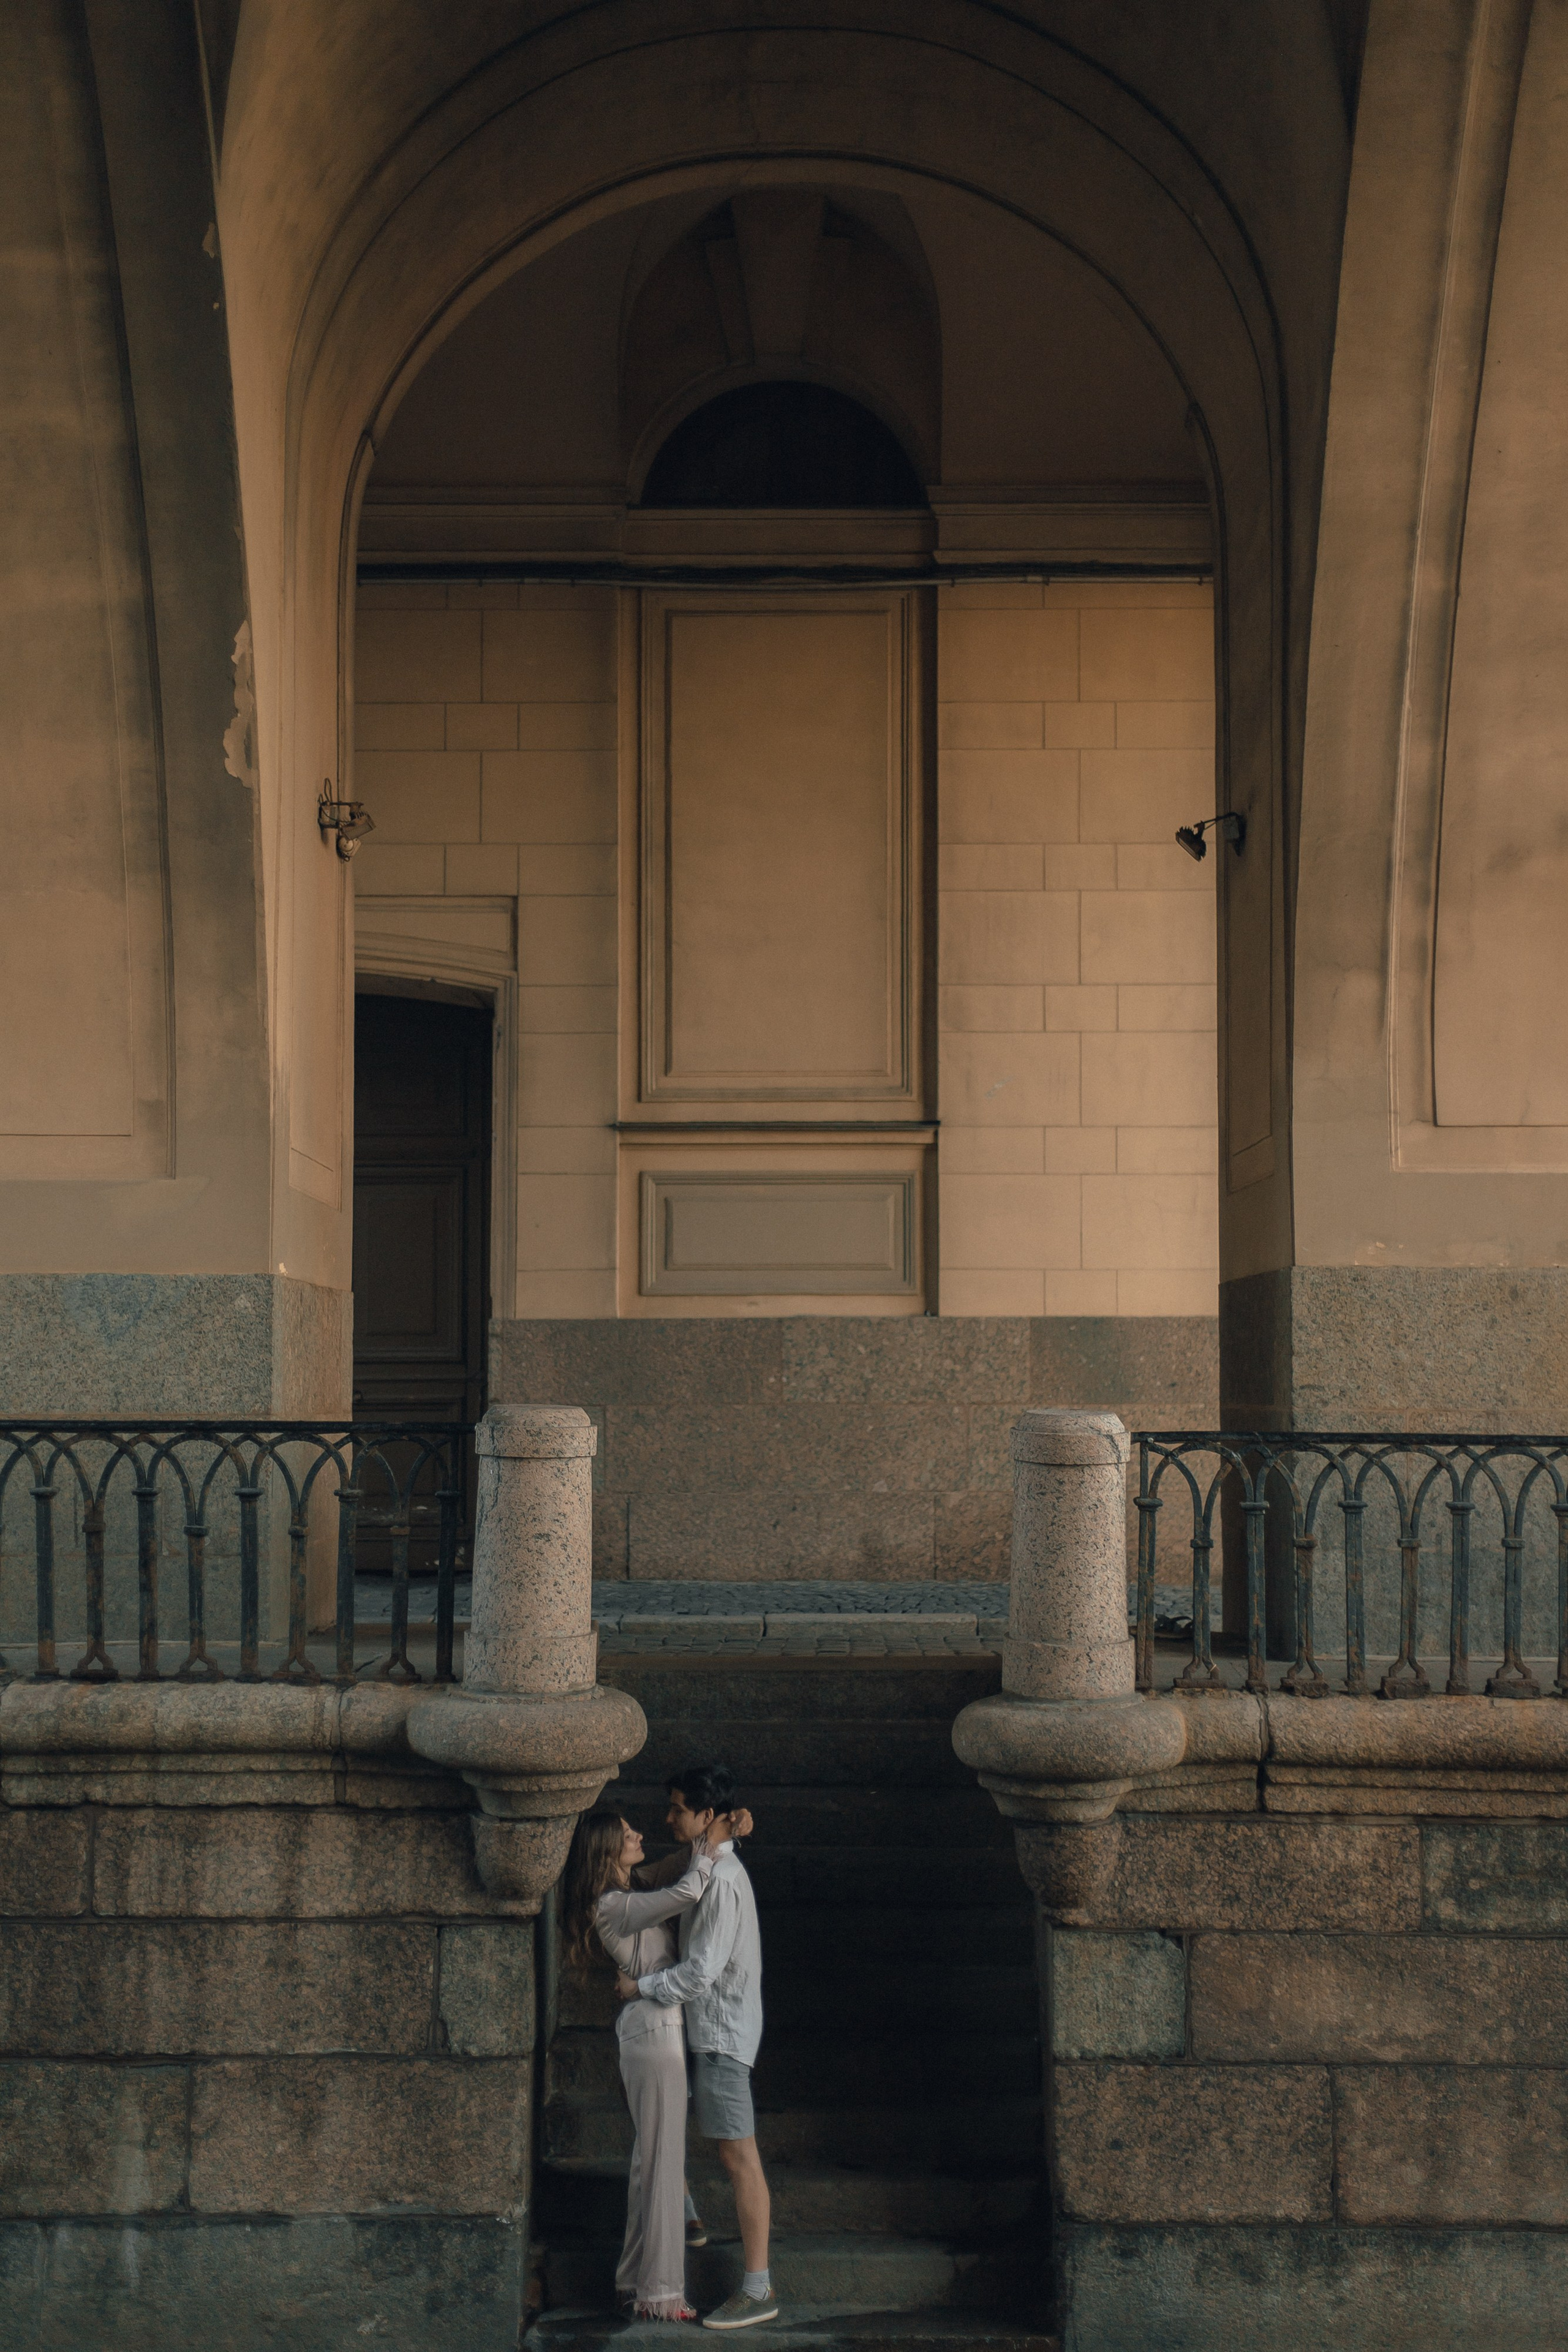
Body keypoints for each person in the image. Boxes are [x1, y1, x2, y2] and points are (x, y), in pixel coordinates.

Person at [617, 1763, 777, 2332]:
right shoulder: (701, 1861)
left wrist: (642, 1986)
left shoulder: (724, 1881)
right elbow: (662, 1877)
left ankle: (758, 2289)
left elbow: (702, 1971)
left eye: (679, 1809)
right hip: (698, 2028)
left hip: (721, 2036)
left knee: (738, 2156)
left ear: (706, 1816)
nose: (667, 1818)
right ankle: (685, 2217)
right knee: (667, 2120)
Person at [563, 1807, 726, 2320]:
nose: (638, 1835)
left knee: (647, 2163)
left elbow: (679, 1862)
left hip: (653, 2030)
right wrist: (707, 1853)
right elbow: (686, 1891)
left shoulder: (630, 1890)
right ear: (606, 1852)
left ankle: (632, 2279)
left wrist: (719, 1833)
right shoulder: (615, 1904)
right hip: (654, 2033)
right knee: (661, 2164)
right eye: (626, 1833)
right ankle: (660, 2294)